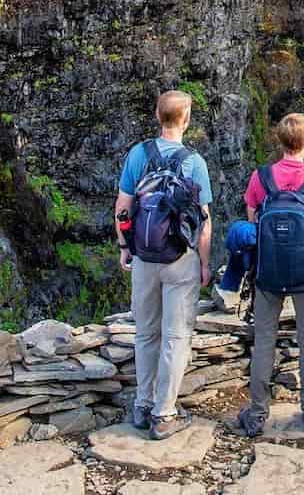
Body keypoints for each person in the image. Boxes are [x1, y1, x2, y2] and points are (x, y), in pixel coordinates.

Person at [115, 89, 212, 440]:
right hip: (180, 257)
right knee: (176, 335)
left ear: (158, 116)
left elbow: (123, 207)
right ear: (186, 120)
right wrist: (203, 264)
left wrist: (125, 246)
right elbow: (203, 221)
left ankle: (142, 405)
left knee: (145, 332)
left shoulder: (138, 154)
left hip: (144, 255)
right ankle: (164, 413)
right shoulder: (194, 162)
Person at [237, 113, 304, 435]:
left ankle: (257, 414)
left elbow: (253, 226)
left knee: (264, 340)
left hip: (267, 273)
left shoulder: (260, 177)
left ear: (279, 141)